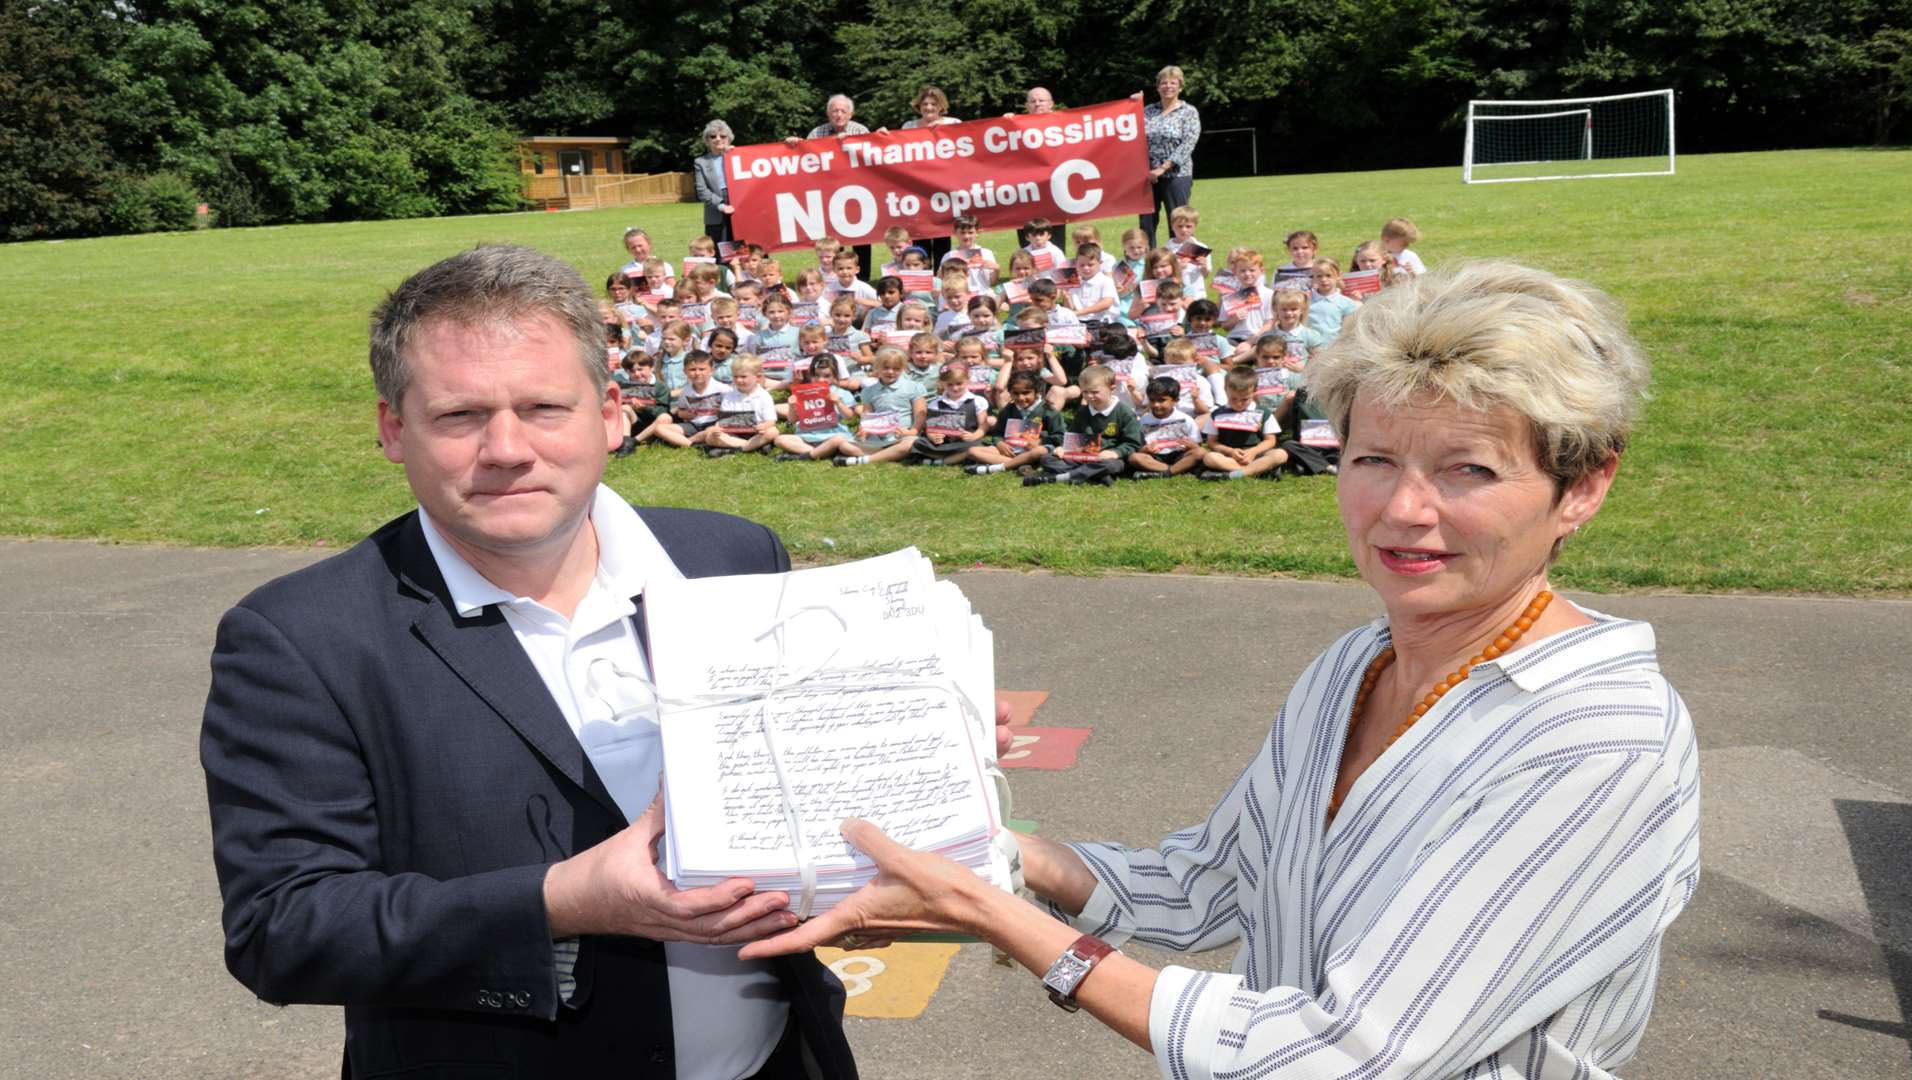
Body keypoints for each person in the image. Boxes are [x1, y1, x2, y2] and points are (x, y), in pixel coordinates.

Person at [741, 260, 1695, 1080]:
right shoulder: (1358, 662)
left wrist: (997, 917)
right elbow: (1209, 886)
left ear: (1584, 486)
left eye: (1468, 471)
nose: (1403, 510)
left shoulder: (1597, 740)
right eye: (1371, 458)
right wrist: (983, 843)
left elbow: (1345, 1056)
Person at [200, 245, 855, 1079]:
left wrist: (915, 733)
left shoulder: (729, 555)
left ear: (612, 413)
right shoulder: (300, 638)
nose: (506, 448)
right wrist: (563, 903)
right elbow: (282, 928)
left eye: (545, 407)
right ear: (393, 430)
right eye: (460, 416)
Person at [787, 94, 877, 278]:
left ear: (850, 114)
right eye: (834, 111)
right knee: (835, 239)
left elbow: (873, 156)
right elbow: (805, 159)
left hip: (858, 191)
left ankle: (863, 278)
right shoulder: (817, 133)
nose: (838, 114)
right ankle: (835, 278)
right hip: (830, 194)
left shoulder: (860, 130)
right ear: (828, 114)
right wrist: (794, 145)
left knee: (862, 238)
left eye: (843, 111)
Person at [1024, 365, 1142, 486]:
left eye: (1095, 392)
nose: (1089, 396)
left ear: (1112, 389)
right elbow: (1073, 437)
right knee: (1047, 459)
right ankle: (1095, 476)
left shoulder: (1124, 412)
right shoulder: (1082, 411)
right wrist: (1063, 448)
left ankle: (1062, 477)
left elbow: (1133, 443)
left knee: (1111, 465)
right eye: (1085, 392)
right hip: (1082, 456)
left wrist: (1116, 452)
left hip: (1107, 458)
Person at [1139, 65, 1201, 246]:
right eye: (1163, 83)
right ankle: (1147, 262)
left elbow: (1188, 143)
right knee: (1146, 223)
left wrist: (1163, 167)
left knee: (1178, 221)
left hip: (1177, 175)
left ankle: (1177, 261)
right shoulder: (1146, 111)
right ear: (1157, 87)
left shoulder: (1189, 112)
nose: (1168, 86)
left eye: (1173, 82)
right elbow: (1130, 134)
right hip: (1147, 176)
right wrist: (1131, 104)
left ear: (1180, 87)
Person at [900, 86, 962, 267]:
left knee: (943, 233)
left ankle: (942, 275)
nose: (928, 107)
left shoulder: (954, 123)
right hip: (918, 190)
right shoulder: (909, 126)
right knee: (921, 234)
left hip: (944, 188)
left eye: (933, 103)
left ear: (941, 105)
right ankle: (922, 277)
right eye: (925, 103)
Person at [1198, 365, 1288, 481]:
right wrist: (1230, 451)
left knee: (1281, 454)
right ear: (1225, 389)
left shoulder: (1263, 412)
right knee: (1209, 457)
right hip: (1229, 456)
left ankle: (1233, 474)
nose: (1238, 403)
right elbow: (1212, 443)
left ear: (1254, 392)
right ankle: (1259, 471)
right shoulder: (1217, 414)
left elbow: (1270, 440)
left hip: (1256, 454)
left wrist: (1253, 452)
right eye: (1233, 398)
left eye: (1244, 399)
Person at [1126, 375, 1206, 478]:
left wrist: (1192, 446)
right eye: (1152, 400)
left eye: (1161, 400)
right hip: (1155, 457)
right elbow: (1139, 449)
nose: (1156, 405)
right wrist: (1145, 450)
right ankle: (1174, 470)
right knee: (1134, 458)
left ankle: (1164, 472)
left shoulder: (1186, 419)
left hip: (1179, 454)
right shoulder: (1143, 421)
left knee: (1200, 452)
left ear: (1175, 400)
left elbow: (1197, 445)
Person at [692, 120, 736, 245]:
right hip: (715, 210)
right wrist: (721, 205)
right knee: (719, 253)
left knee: (742, 251)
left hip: (740, 206)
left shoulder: (739, 156)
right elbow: (702, 190)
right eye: (713, 136)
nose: (718, 139)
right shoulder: (700, 162)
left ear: (729, 139)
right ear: (707, 140)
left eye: (723, 136)